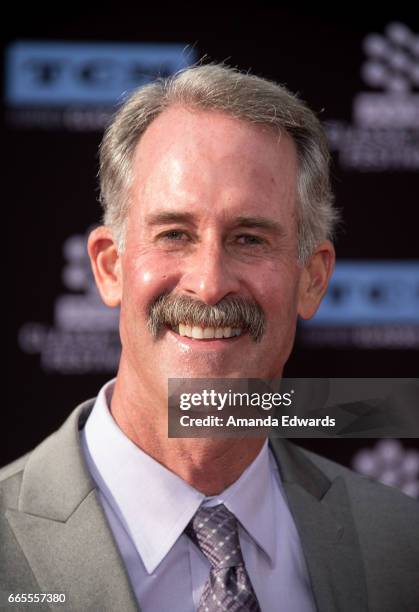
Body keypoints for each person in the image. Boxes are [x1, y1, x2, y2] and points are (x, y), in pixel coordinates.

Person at [1, 63, 418, 612]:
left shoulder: (402, 546)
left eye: (249, 238)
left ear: (312, 280)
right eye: (174, 234)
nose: (210, 283)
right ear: (109, 267)